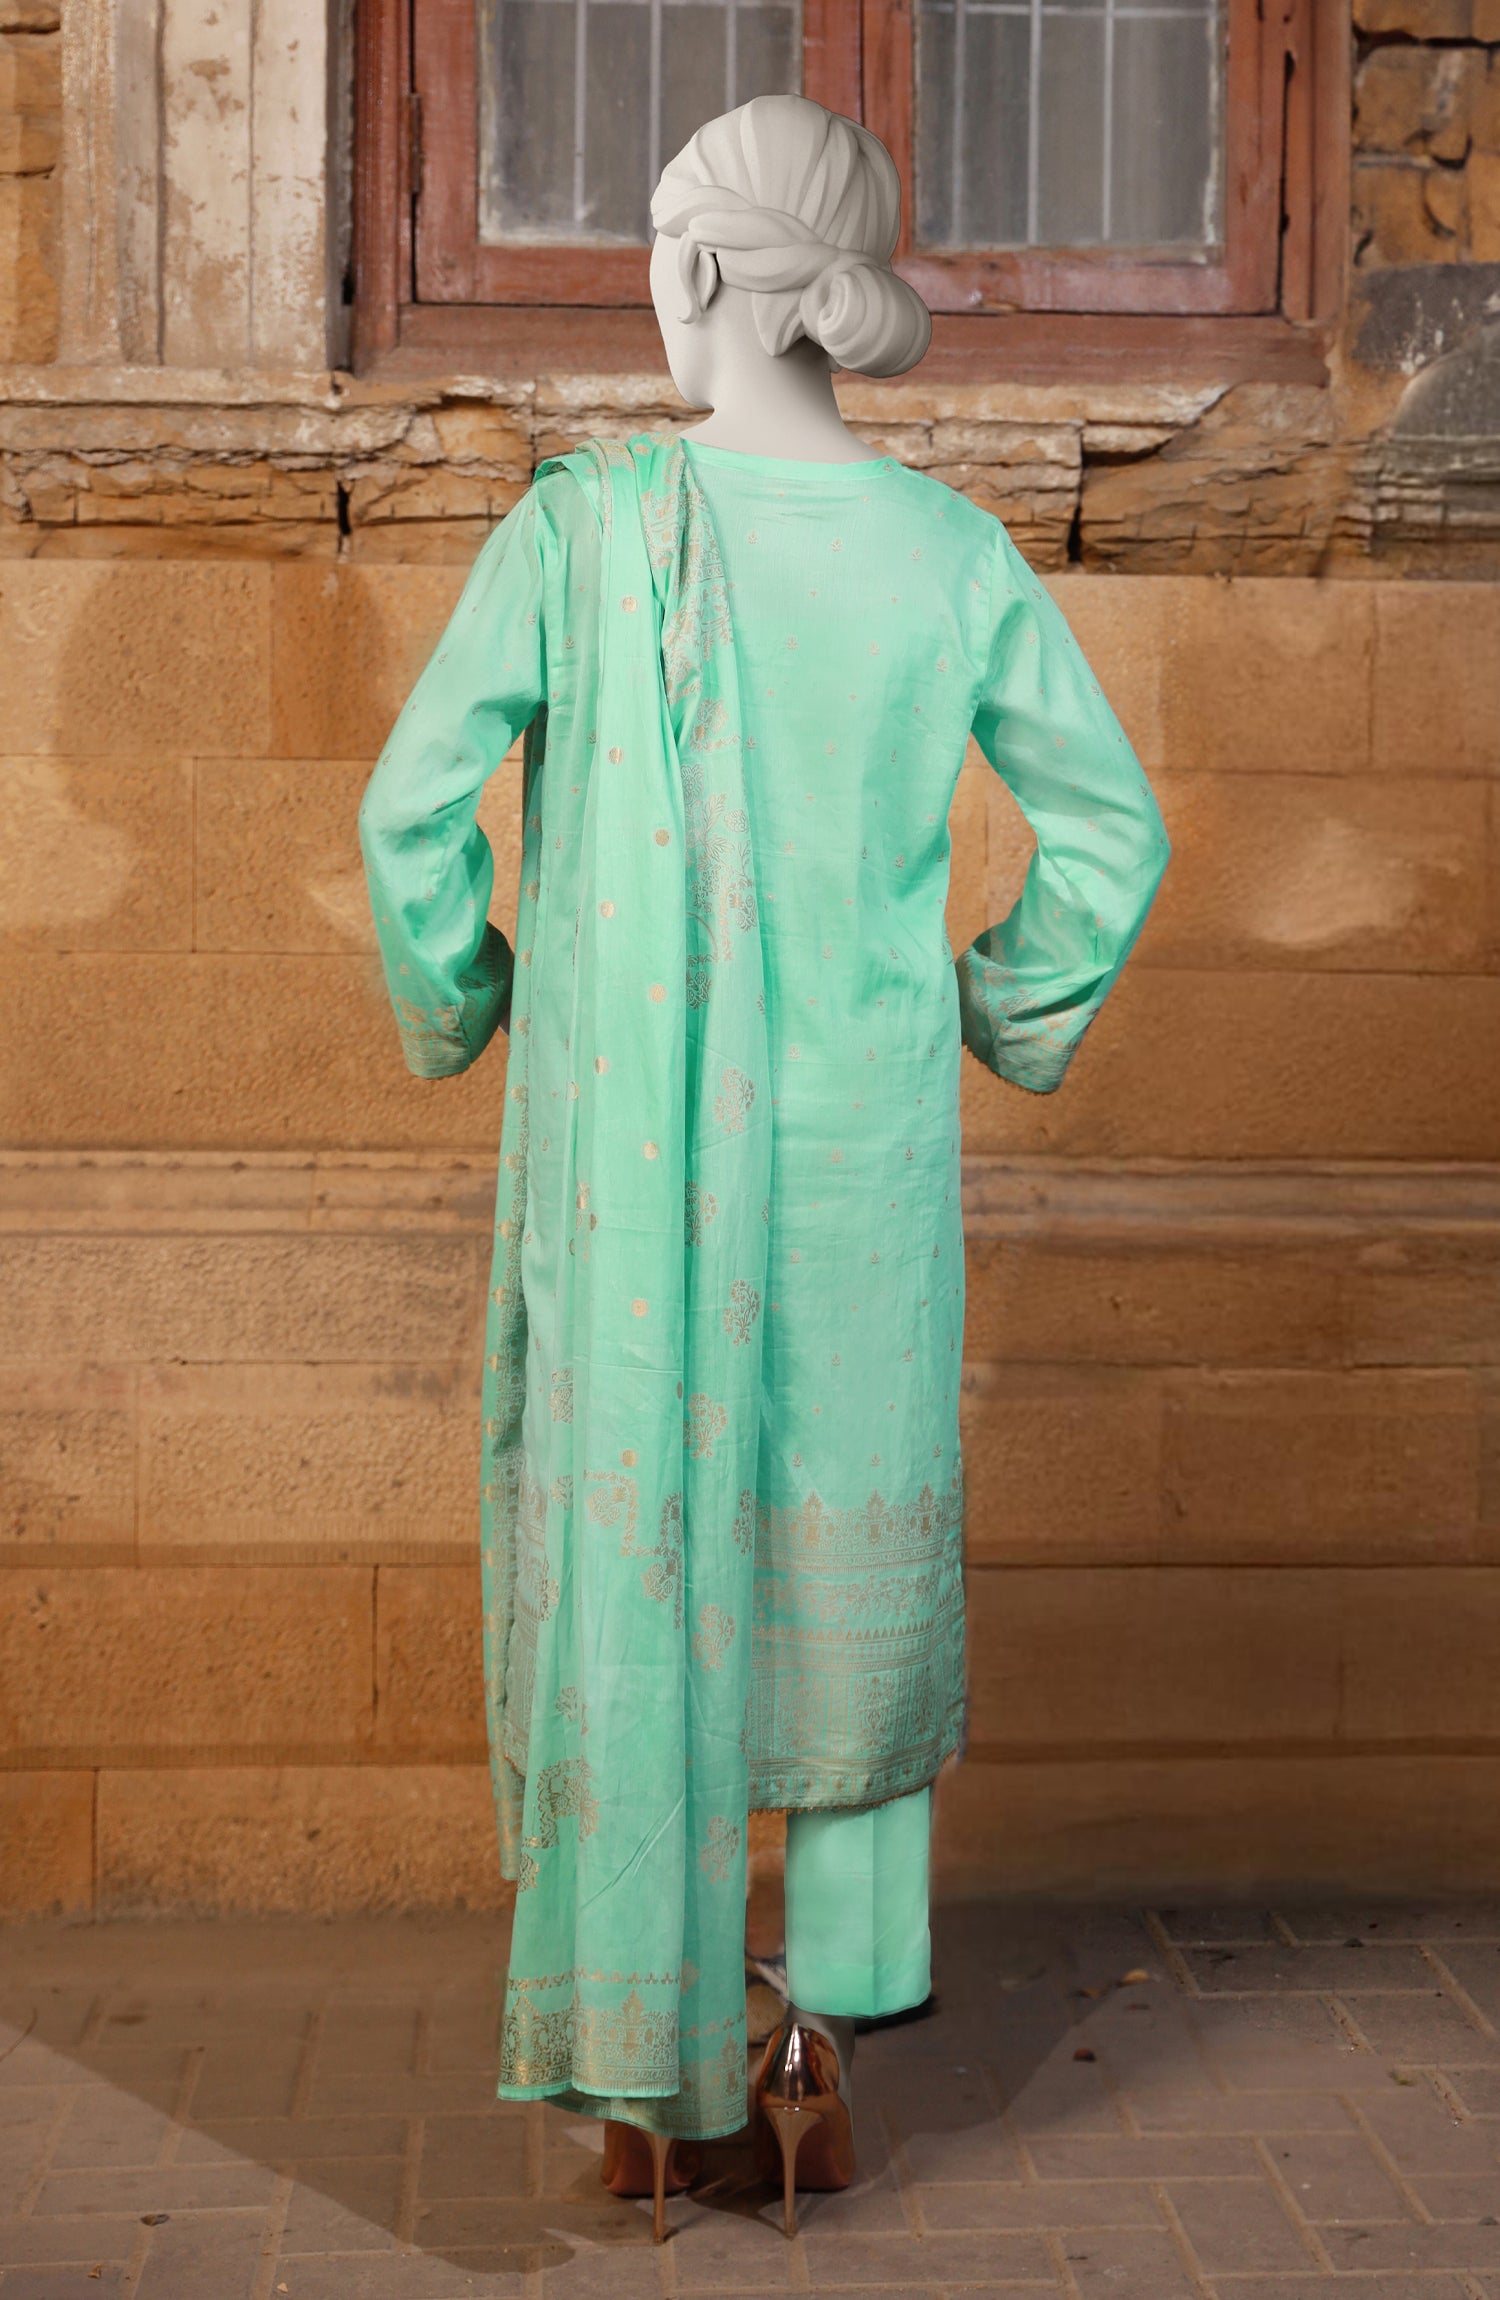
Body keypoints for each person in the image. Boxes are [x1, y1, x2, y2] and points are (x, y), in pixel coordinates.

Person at [357, 92, 1170, 2242]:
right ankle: (818, 2046)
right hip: (861, 1171)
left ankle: (659, 2068)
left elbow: (408, 815)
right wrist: (996, 1005)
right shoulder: (949, 554)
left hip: (639, 1168)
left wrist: (486, 995)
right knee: (836, 1580)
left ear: (704, 269)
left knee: (655, 1564)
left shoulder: (585, 531)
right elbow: (1114, 833)